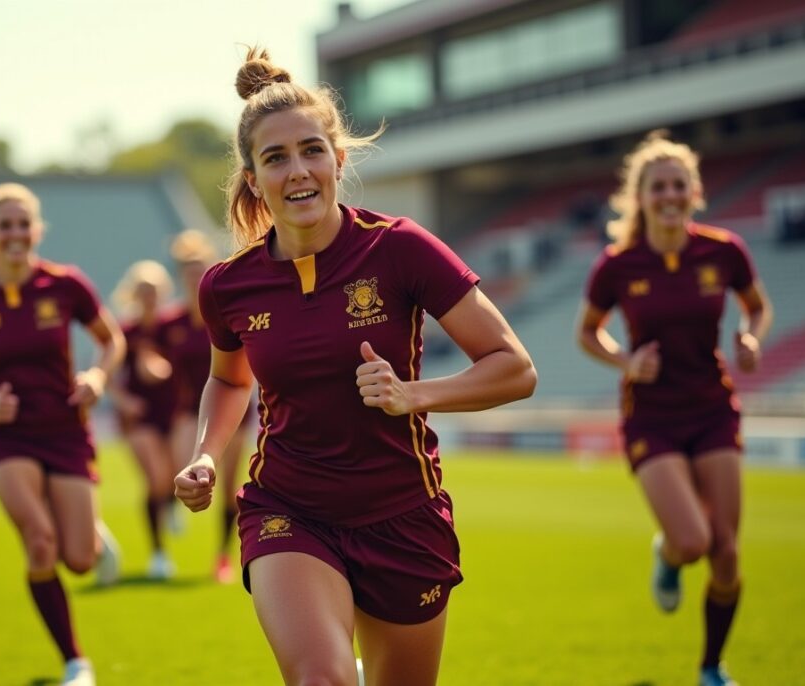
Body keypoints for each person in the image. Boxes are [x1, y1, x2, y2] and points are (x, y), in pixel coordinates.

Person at [173, 48, 537, 686]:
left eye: (312, 150)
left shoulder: (401, 248)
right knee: (323, 678)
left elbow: (514, 368)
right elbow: (229, 379)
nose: (298, 171)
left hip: (404, 514)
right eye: (275, 158)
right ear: (253, 180)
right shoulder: (227, 286)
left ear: (338, 160)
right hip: (288, 508)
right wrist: (205, 453)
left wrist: (413, 395)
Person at [577, 130, 772, 686]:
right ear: (640, 197)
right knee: (692, 542)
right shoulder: (617, 264)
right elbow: (587, 333)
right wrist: (626, 360)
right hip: (652, 418)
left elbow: (757, 309)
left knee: (726, 552)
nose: (669, 195)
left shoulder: (725, 250)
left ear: (695, 191)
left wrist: (751, 338)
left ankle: (711, 667)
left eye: (678, 185)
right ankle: (667, 555)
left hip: (713, 409)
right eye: (658, 186)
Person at [0, 182, 125, 686]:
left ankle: (92, 535)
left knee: (78, 561)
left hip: (65, 431)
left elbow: (112, 341)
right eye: (6, 226)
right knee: (40, 542)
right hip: (8, 438)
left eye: (23, 224)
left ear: (37, 231)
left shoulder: (66, 285)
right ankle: (75, 661)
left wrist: (97, 376)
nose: (15, 234)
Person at [161, 229, 254, 583]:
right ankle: (174, 505)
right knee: (183, 466)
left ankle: (222, 556)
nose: (194, 278)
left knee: (227, 486)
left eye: (200, 271)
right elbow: (144, 348)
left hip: (234, 410)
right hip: (188, 409)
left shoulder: (226, 312)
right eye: (188, 273)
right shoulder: (171, 322)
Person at [109, 260, 179, 580]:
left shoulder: (173, 326)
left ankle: (172, 506)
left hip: (173, 413)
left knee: (174, 474)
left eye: (154, 291)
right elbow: (108, 375)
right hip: (140, 418)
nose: (149, 297)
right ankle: (158, 552)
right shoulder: (126, 332)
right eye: (144, 291)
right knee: (156, 479)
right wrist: (125, 400)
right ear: (134, 294)